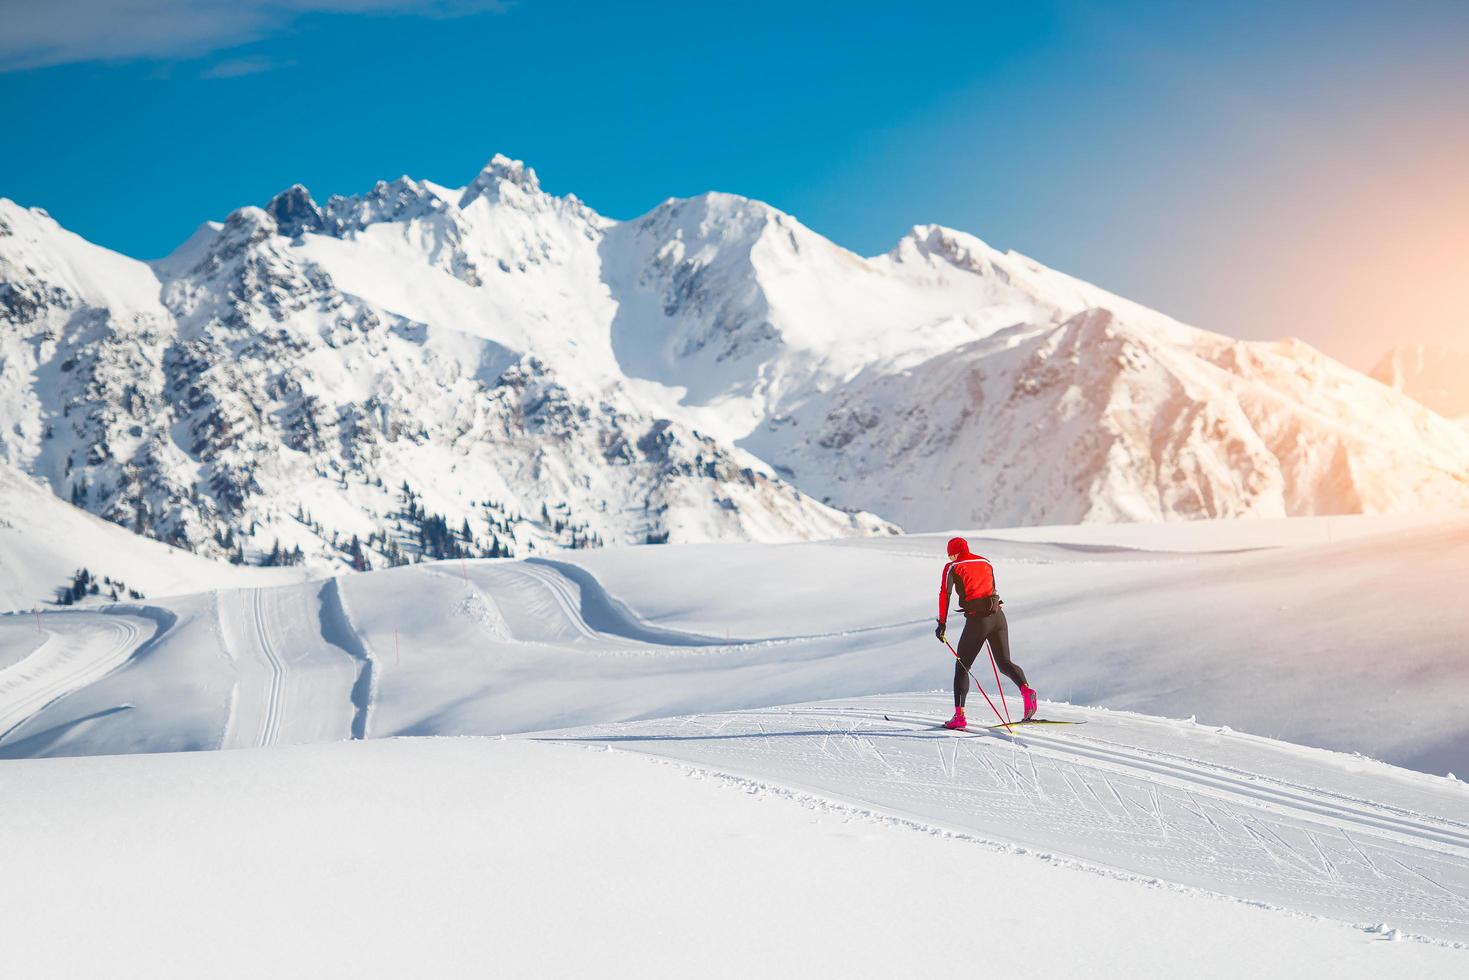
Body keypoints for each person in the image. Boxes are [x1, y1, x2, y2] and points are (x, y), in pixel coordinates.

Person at [934, 536, 1036, 729]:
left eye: (950, 555)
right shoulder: (985, 561)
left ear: (953, 553)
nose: (950, 558)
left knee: (962, 667)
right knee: (1004, 663)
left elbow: (944, 594)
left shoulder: (953, 567)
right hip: (998, 617)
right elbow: (991, 588)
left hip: (978, 621)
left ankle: (959, 717)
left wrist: (942, 623)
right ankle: (1027, 691)